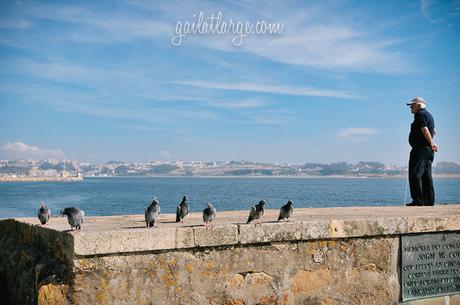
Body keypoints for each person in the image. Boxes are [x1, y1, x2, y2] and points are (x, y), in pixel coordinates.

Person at [406, 97, 438, 206]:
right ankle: (429, 201)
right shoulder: (429, 115)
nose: (410, 108)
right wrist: (431, 143)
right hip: (428, 150)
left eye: (412, 105)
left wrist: (431, 143)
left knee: (415, 174)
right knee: (426, 175)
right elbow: (434, 131)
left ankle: (418, 201)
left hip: (420, 149)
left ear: (419, 105)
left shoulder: (420, 115)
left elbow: (425, 130)